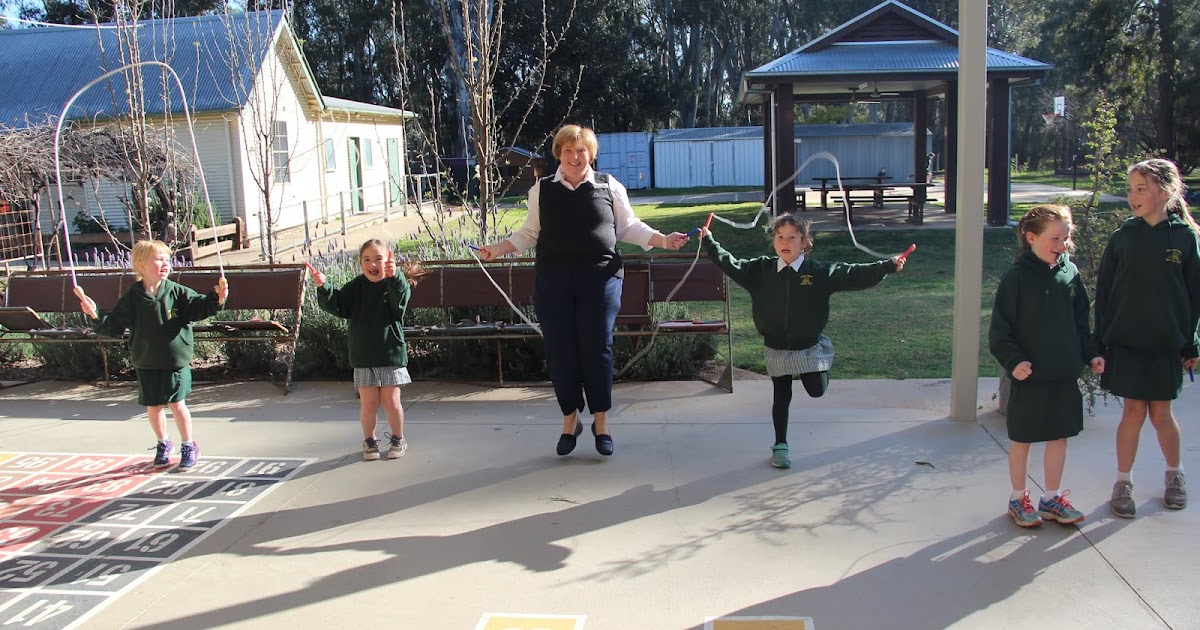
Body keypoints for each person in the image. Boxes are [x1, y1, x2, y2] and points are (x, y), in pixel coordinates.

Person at [477, 124, 688, 457]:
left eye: (581, 151)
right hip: (554, 280)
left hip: (600, 278)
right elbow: (528, 234)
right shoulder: (542, 189)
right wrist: (496, 250)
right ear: (558, 153)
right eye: (568, 151)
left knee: (597, 346)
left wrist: (663, 239)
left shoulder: (608, 185)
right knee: (561, 351)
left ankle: (601, 422)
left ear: (591, 154)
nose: (575, 157)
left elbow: (628, 227)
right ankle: (570, 420)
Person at [698, 214, 905, 469]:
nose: (785, 242)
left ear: (804, 242)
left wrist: (887, 266)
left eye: (792, 237)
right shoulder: (759, 271)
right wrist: (709, 242)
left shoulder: (819, 272)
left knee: (816, 391)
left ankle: (824, 355)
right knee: (781, 394)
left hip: (809, 347)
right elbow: (729, 263)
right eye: (780, 236)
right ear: (774, 241)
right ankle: (780, 445)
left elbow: (853, 274)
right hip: (776, 347)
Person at [1095, 158, 1200, 517]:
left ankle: (1175, 475)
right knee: (1133, 411)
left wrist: (1191, 342)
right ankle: (1123, 482)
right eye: (1130, 189)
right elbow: (1105, 292)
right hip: (1126, 342)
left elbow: (1194, 295)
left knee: (1161, 414)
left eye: (1141, 189)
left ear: (1166, 192)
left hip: (1165, 343)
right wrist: (1100, 341)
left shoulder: (1185, 238)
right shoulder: (1122, 237)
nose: (1133, 196)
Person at [989, 205, 1104, 528]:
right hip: (1030, 377)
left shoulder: (1070, 273)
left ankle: (1051, 498)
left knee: (1059, 436)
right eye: (1055, 238)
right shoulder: (1017, 278)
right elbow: (1000, 331)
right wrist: (1015, 361)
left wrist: (1090, 354)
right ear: (1031, 237)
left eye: (1066, 238)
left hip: (1064, 373)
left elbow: (1081, 321)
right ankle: (1018, 498)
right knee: (1022, 438)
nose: (1062, 244)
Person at [78, 240, 228, 471]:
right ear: (140, 264)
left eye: (167, 260)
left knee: (177, 403)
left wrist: (216, 298)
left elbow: (199, 307)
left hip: (174, 360)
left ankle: (188, 445)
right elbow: (113, 325)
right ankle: (163, 443)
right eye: (158, 259)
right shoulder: (133, 296)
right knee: (154, 406)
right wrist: (95, 314)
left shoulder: (176, 292)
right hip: (146, 359)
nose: (165, 264)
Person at [313, 240, 425, 461]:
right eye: (367, 259)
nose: (372, 264)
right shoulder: (355, 287)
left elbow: (401, 300)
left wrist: (395, 277)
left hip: (389, 352)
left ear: (388, 260)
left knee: (392, 401)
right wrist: (323, 287)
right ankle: (370, 441)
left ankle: (398, 438)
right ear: (360, 263)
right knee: (369, 403)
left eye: (378, 259)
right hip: (363, 355)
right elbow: (337, 304)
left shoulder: (394, 284)